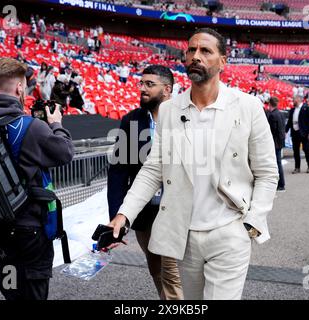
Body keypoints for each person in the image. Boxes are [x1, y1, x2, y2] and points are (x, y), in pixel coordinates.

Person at [108, 28, 278, 300]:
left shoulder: (248, 107)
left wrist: (252, 223)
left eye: (205, 51)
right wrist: (123, 214)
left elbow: (268, 173)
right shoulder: (169, 110)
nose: (195, 56)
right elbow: (153, 169)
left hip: (230, 231)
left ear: (223, 61)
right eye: (191, 50)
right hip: (183, 236)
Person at [0, 58, 74, 300]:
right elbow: (65, 153)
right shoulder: (30, 126)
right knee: (33, 292)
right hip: (29, 231)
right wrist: (56, 124)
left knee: (12, 287)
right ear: (19, 88)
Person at [108, 65, 183, 300]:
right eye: (141, 84)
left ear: (167, 89)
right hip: (144, 213)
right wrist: (116, 216)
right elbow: (118, 171)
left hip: (176, 211)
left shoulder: (186, 117)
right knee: (156, 269)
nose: (142, 89)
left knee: (173, 272)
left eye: (149, 84)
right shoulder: (131, 120)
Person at [286, 94, 309, 174]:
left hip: (304, 133)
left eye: (294, 99)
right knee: (295, 151)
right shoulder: (292, 110)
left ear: (299, 99)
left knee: (306, 150)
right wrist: (286, 131)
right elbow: (289, 122)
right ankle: (297, 167)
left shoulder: (307, 108)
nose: (292, 101)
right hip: (295, 133)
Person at [266, 97, 286, 191]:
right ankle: (280, 184)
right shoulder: (281, 113)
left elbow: (272, 130)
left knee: (277, 164)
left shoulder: (273, 115)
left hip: (275, 142)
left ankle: (280, 184)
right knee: (278, 163)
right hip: (280, 141)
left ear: (270, 104)